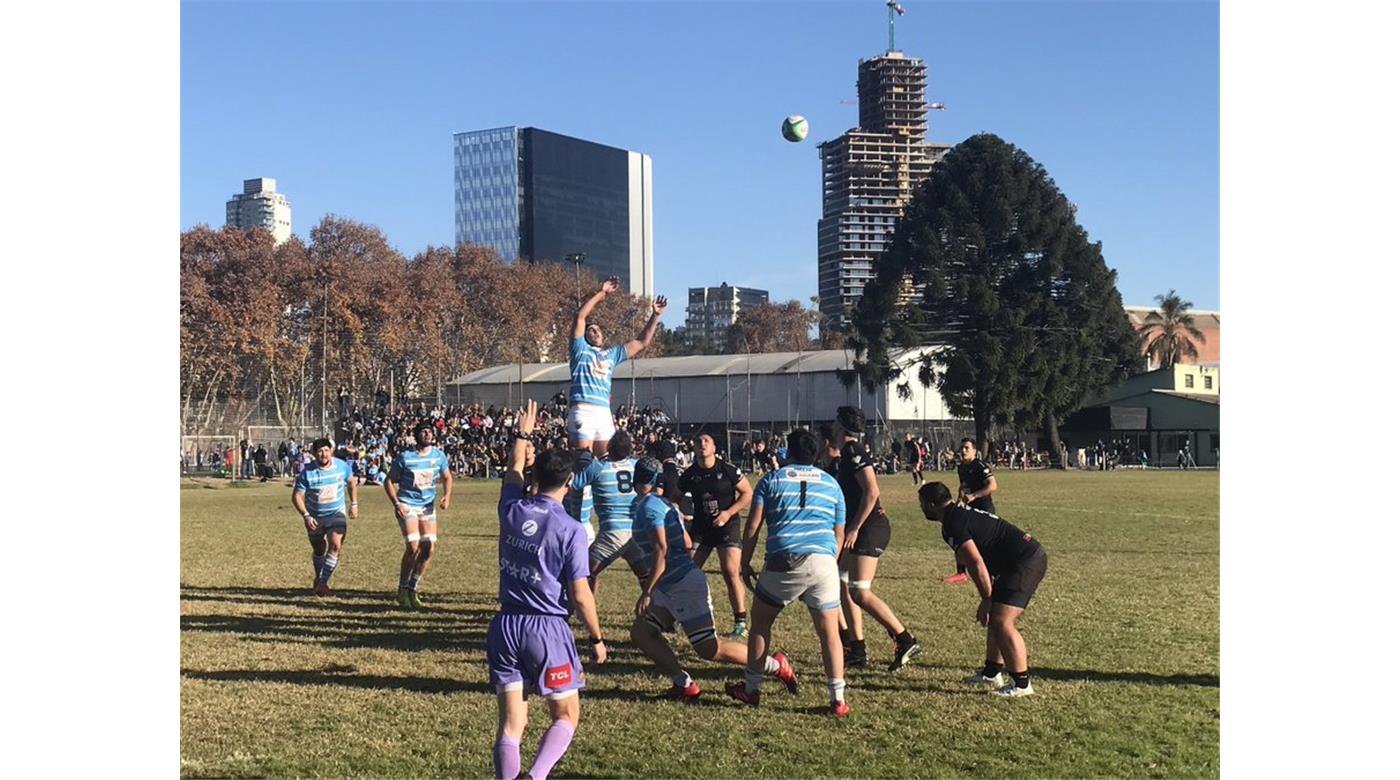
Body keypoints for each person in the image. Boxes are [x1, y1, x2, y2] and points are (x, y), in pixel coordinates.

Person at [489, 399, 607, 780]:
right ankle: (536, 777)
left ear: (534, 477)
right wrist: (596, 637)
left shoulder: (511, 510)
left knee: (511, 726)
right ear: (569, 484)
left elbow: (512, 471)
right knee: (566, 715)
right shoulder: (571, 529)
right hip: (546, 630)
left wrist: (522, 434)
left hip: (506, 625)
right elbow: (581, 595)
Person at [629, 457, 798, 701]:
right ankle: (684, 684)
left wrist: (647, 591)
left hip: (682, 585)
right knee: (642, 632)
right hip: (671, 585)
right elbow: (686, 542)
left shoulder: (649, 507)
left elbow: (661, 550)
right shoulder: (664, 505)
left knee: (710, 649)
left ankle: (775, 665)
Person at [727, 429, 851, 717]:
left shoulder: (771, 480)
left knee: (760, 624)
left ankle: (752, 688)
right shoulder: (832, 484)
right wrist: (828, 562)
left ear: (788, 452)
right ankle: (838, 699)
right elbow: (839, 533)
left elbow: (753, 526)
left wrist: (744, 562)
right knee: (829, 633)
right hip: (823, 559)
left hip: (784, 559)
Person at [918, 481, 1048, 698]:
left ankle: (1022, 684)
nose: (921, 508)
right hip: (1016, 560)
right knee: (996, 618)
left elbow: (975, 563)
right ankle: (991, 673)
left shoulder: (953, 523)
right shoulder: (956, 515)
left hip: (1024, 561)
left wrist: (987, 599)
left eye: (922, 504)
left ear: (931, 504)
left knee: (1001, 620)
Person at [831, 407, 922, 672]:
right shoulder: (846, 453)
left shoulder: (854, 451)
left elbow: (872, 492)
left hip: (870, 528)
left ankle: (905, 639)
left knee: (860, 591)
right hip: (861, 527)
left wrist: (854, 528)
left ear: (841, 426)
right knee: (841, 580)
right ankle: (857, 649)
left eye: (835, 422)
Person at [567, 277, 667, 457]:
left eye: (598, 329)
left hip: (603, 412)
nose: (596, 332)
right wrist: (602, 293)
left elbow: (641, 342)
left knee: (608, 460)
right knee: (582, 461)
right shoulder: (579, 350)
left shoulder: (612, 354)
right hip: (583, 409)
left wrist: (655, 315)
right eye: (591, 330)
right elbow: (580, 316)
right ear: (585, 336)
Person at [678, 432, 754, 640]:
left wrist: (728, 513)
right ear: (694, 448)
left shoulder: (727, 469)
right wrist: (682, 514)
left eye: (706, 441)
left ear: (714, 447)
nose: (702, 444)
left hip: (726, 526)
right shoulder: (689, 474)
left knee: (730, 571)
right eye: (698, 441)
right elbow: (676, 497)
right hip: (701, 527)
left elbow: (747, 493)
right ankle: (681, 616)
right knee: (687, 572)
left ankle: (740, 621)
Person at [385, 420, 454, 609]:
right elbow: (389, 481)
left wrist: (447, 496)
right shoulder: (405, 457)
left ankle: (412, 588)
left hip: (427, 508)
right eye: (423, 431)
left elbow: (447, 477)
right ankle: (402, 590)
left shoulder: (438, 456)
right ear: (416, 436)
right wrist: (397, 504)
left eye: (429, 431)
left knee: (428, 548)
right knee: (413, 546)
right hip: (407, 505)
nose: (427, 434)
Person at [572, 431, 648, 596]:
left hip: (612, 532)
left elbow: (572, 485)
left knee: (582, 573)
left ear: (610, 447)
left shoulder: (598, 467)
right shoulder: (636, 465)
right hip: (635, 532)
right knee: (645, 577)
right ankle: (656, 608)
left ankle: (581, 607)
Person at [291, 438, 358, 596]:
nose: (324, 454)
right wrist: (306, 516)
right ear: (314, 454)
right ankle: (318, 577)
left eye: (326, 450)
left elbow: (351, 482)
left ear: (331, 451)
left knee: (335, 545)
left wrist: (354, 503)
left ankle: (322, 583)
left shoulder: (341, 466)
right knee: (319, 548)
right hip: (315, 517)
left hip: (336, 513)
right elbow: (297, 496)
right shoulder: (307, 473)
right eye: (320, 451)